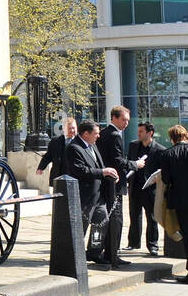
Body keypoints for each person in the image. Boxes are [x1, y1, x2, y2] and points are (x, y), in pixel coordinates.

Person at [147, 125, 188, 284]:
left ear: (172, 138)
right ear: (186, 136)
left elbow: (167, 179)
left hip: (181, 202)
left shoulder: (167, 154)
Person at [65, 120, 124, 267]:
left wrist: (110, 175)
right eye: (96, 134)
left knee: (101, 222)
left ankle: (94, 251)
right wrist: (103, 172)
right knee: (82, 227)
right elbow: (80, 170)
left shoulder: (92, 146)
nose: (98, 136)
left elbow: (100, 165)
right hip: (84, 196)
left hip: (98, 196)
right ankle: (75, 255)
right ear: (86, 134)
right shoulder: (74, 148)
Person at [98, 107, 133, 252]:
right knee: (116, 219)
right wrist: (135, 164)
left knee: (106, 218)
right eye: (123, 120)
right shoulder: (114, 135)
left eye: (128, 121)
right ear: (114, 118)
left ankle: (102, 249)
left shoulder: (105, 133)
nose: (126, 124)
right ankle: (113, 252)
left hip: (105, 183)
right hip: (114, 184)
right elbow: (118, 161)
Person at [126, 122, 163, 255]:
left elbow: (162, 170)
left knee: (152, 217)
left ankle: (153, 245)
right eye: (139, 131)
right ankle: (133, 243)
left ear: (150, 133)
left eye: (141, 131)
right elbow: (129, 163)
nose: (138, 133)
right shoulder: (133, 145)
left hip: (150, 189)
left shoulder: (159, 149)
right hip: (135, 186)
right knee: (134, 216)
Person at [36, 116, 77, 189]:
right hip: (58, 176)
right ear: (64, 129)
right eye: (69, 128)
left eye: (73, 128)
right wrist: (41, 168)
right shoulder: (55, 141)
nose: (72, 130)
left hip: (74, 177)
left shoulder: (79, 141)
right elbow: (48, 156)